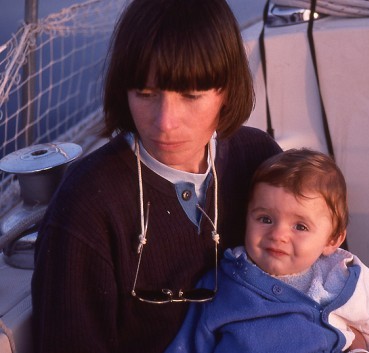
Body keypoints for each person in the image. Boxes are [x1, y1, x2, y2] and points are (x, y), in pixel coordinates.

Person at [30, 0, 282, 352]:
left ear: (227, 89)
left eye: (191, 95)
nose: (165, 123)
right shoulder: (85, 207)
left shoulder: (260, 159)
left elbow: (329, 279)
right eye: (145, 95)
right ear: (123, 91)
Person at [165, 149, 369, 353]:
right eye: (265, 219)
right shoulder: (221, 284)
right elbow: (187, 345)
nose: (278, 234)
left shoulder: (343, 281)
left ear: (332, 239)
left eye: (300, 226)